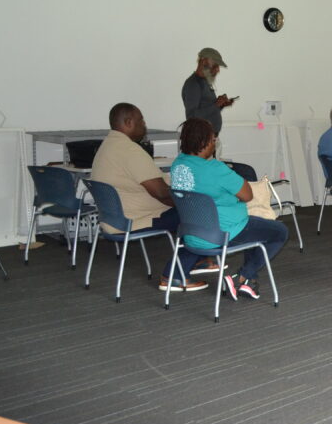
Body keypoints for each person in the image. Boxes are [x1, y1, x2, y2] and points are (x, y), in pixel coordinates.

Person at [91, 103, 214, 292]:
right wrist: (190, 204)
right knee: (199, 214)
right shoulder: (129, 150)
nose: (144, 125)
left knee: (194, 211)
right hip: (133, 220)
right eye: (141, 120)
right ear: (128, 122)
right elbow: (161, 193)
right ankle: (175, 275)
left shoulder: (108, 146)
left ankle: (200, 259)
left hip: (114, 218)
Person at [171, 118, 289, 300]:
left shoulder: (178, 165)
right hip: (222, 233)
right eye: (213, 140)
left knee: (254, 228)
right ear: (204, 143)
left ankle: (249, 282)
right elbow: (247, 195)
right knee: (279, 231)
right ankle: (242, 276)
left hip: (191, 236)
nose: (214, 143)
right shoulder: (215, 168)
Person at [181, 47, 233, 135]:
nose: (218, 70)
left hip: (208, 137)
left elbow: (207, 110)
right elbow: (191, 117)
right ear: (204, 61)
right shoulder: (193, 84)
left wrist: (221, 105)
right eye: (216, 65)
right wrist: (216, 105)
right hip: (201, 138)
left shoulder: (204, 81)